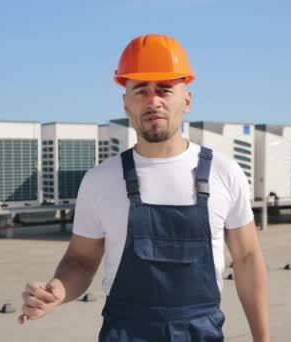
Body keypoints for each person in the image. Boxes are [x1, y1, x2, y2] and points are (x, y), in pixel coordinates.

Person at [19, 33, 270, 341]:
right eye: (141, 90)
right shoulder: (100, 180)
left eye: (164, 89)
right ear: (126, 104)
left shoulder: (225, 173)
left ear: (187, 100)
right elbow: (81, 260)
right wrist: (58, 288)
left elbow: (247, 259)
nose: (153, 100)